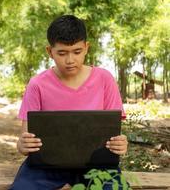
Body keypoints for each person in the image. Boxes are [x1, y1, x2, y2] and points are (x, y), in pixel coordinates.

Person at [9, 15, 128, 189]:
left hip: (97, 166)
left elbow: (114, 134)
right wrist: (22, 144)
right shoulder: (37, 84)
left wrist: (120, 144)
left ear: (86, 48)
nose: (70, 60)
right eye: (62, 53)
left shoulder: (105, 79)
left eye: (77, 52)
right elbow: (24, 143)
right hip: (46, 166)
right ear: (50, 52)